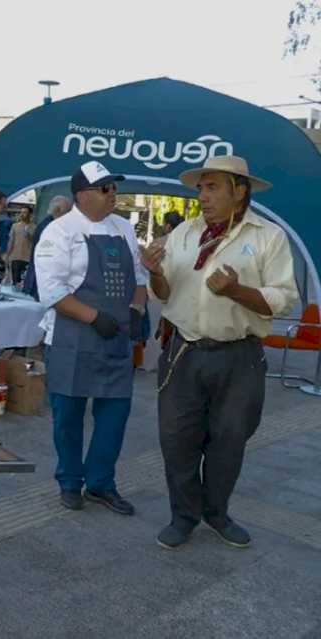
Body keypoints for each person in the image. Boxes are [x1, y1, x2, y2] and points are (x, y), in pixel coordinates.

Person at [141, 155, 297, 550]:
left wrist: (236, 291)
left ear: (239, 190)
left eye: (212, 187)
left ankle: (217, 512)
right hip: (183, 353)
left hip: (239, 356)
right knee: (176, 438)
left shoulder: (268, 237)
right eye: (200, 188)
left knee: (230, 440)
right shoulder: (184, 234)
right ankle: (183, 516)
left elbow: (282, 300)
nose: (202, 196)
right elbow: (166, 294)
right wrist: (155, 272)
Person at [34, 161, 148, 515]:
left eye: (114, 188)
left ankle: (101, 483)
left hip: (116, 338)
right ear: (82, 195)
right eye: (105, 189)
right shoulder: (59, 231)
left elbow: (140, 278)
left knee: (114, 414)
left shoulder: (124, 229)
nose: (113, 194)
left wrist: (136, 309)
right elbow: (51, 290)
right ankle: (70, 481)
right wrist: (93, 317)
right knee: (67, 417)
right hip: (72, 338)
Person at [24, 196, 72, 300]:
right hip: (43, 281)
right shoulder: (50, 227)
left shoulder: (47, 224)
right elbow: (48, 258)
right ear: (58, 211)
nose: (70, 215)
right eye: (68, 211)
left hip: (41, 280)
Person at [7, 207, 35, 287]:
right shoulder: (15, 226)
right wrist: (8, 255)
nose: (22, 215)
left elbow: (34, 241)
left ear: (30, 214)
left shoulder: (34, 227)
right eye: (21, 212)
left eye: (25, 212)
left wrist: (28, 234)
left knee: (25, 281)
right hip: (15, 256)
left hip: (27, 257)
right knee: (15, 280)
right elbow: (11, 241)